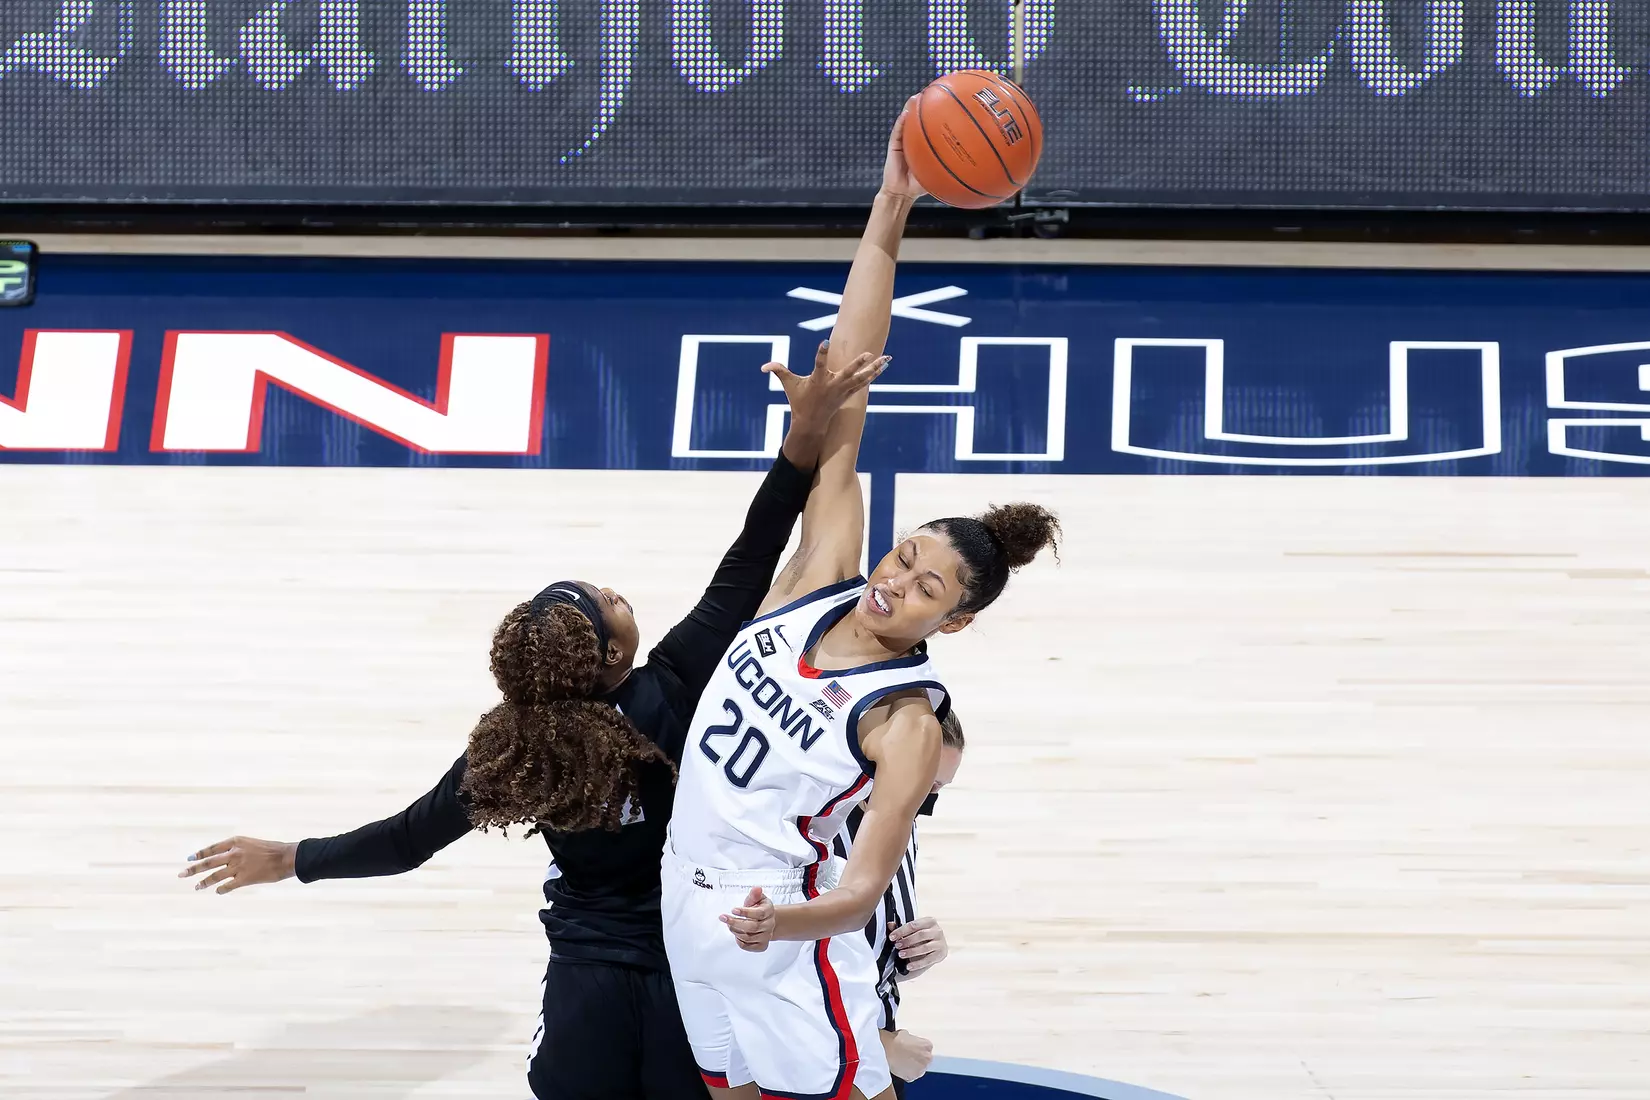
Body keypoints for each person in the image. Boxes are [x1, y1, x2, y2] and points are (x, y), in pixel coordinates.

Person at [178, 340, 888, 1100]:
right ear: (612, 655)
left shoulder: (514, 748)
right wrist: (803, 434)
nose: (618, 593)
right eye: (609, 602)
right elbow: (753, 552)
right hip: (693, 963)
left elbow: (408, 840)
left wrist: (292, 859)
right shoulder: (673, 686)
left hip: (586, 978)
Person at [660, 100, 1061, 1100]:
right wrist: (890, 209)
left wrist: (778, 925)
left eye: (927, 586)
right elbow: (850, 380)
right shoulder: (817, 577)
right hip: (684, 893)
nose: (895, 581)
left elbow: (862, 890)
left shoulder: (906, 720)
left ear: (953, 621)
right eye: (904, 556)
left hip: (779, 924)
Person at [830, 709, 965, 1098]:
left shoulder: (903, 823)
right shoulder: (817, 835)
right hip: (833, 1055)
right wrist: (879, 1046)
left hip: (874, 1046)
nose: (928, 799)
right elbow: (782, 976)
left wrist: (923, 953)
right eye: (928, 782)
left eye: (939, 788)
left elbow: (867, 954)